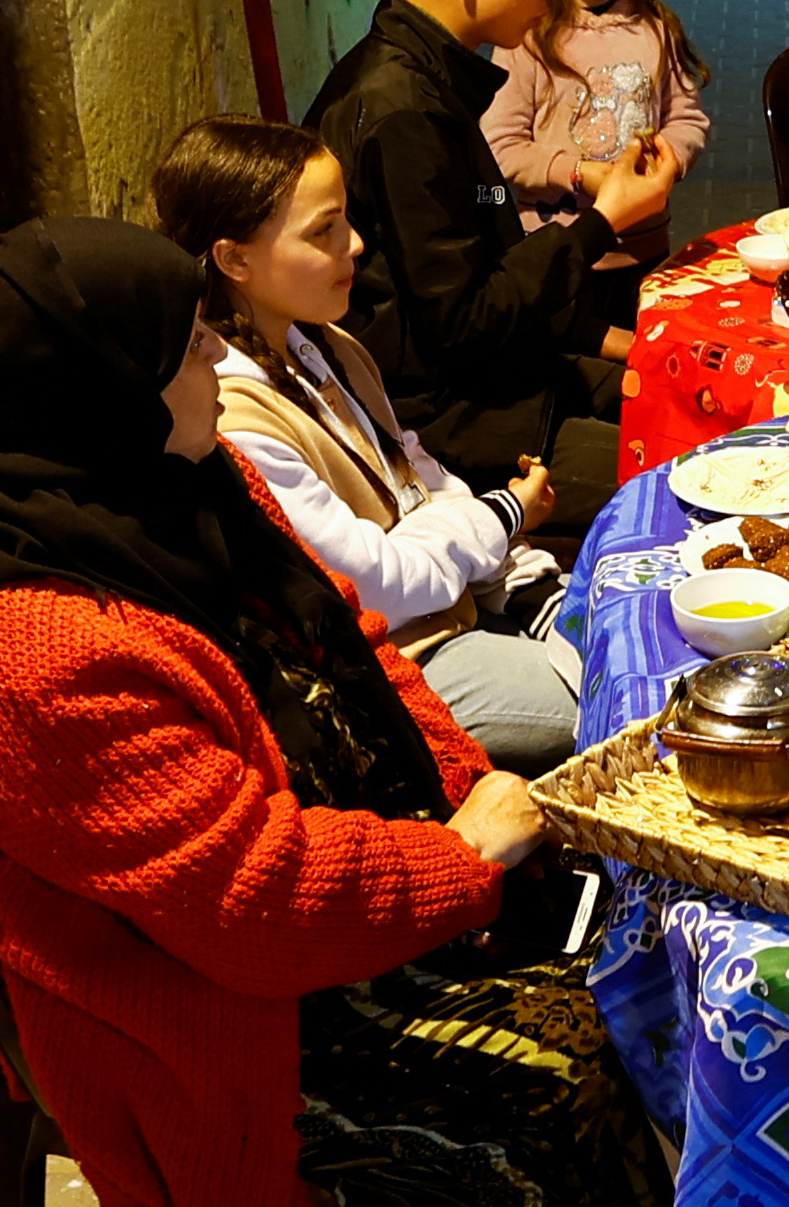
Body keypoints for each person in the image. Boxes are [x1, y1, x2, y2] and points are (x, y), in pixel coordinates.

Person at [0, 219, 789, 1207]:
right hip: (203, 998)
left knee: (648, 923)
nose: (219, 368)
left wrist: (465, 783)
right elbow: (248, 909)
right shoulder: (23, 650)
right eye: (192, 350)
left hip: (336, 871)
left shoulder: (158, 472)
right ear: (101, 386)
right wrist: (468, 856)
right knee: (556, 1073)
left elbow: (356, 643)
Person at [154, 115, 583, 774]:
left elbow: (423, 481)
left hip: (461, 602)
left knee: (645, 635)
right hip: (404, 663)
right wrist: (501, 517)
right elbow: (374, 584)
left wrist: (511, 573)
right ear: (233, 257)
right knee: (631, 704)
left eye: (345, 220)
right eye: (322, 231)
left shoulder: (326, 342)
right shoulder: (233, 415)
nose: (354, 244)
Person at [307, 0, 680, 537]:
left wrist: (610, 337)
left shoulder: (429, 76)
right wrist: (602, 221)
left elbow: (484, 224)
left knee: (691, 396)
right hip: (448, 422)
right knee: (684, 475)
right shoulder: (400, 110)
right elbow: (466, 318)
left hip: (508, 371)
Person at [487, 0, 714, 331]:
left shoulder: (655, 27)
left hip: (645, 251)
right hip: (560, 255)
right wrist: (576, 173)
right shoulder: (528, 38)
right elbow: (500, 146)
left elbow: (687, 118)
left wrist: (670, 158)